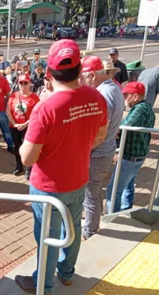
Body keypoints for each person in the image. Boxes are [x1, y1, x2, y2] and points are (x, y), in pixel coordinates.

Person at [15, 39, 108, 295]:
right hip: (78, 178)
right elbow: (99, 135)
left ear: (48, 73)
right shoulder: (95, 97)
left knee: (48, 236)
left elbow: (27, 158)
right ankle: (66, 273)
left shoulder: (45, 108)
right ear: (80, 70)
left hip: (48, 187)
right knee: (73, 228)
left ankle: (43, 286)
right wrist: (76, 145)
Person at [79, 56, 124, 240]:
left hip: (97, 154)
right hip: (105, 151)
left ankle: (90, 232)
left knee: (90, 195)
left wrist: (82, 149)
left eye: (82, 78)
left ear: (91, 75)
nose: (81, 82)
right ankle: (93, 225)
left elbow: (99, 131)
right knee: (95, 192)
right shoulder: (115, 89)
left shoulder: (102, 96)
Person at [106, 82, 155, 213]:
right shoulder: (145, 107)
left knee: (113, 190)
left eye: (126, 95)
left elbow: (125, 125)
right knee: (128, 186)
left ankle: (114, 218)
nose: (124, 97)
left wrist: (115, 128)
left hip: (131, 156)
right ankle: (126, 211)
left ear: (135, 96)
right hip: (137, 155)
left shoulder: (140, 109)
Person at [6, 74, 40, 177]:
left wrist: (25, 124)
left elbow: (36, 115)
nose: (23, 85)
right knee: (17, 147)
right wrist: (15, 124)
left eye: (25, 83)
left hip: (28, 127)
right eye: (21, 83)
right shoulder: (13, 96)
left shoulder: (35, 98)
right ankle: (19, 166)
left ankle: (29, 168)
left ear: (29, 84)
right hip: (14, 127)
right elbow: (8, 111)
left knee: (28, 148)